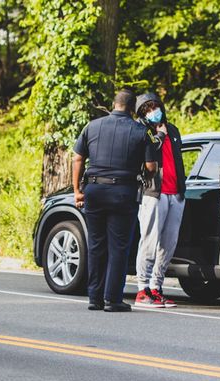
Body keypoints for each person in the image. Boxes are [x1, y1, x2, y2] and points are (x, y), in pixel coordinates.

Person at [72, 89, 157, 312]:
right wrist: (145, 176)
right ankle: (112, 299)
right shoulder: (141, 131)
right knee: (118, 246)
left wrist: (77, 190)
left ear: (114, 104)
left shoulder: (92, 126)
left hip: (95, 190)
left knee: (96, 244)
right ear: (131, 109)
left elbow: (78, 158)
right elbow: (151, 167)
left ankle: (95, 298)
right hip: (123, 192)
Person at [133, 93, 186, 308]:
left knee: (168, 243)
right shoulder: (142, 132)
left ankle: (156, 286)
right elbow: (146, 160)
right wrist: (160, 137)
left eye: (154, 107)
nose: (152, 112)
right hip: (153, 193)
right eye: (147, 110)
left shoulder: (172, 130)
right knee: (149, 240)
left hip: (176, 193)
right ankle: (142, 288)